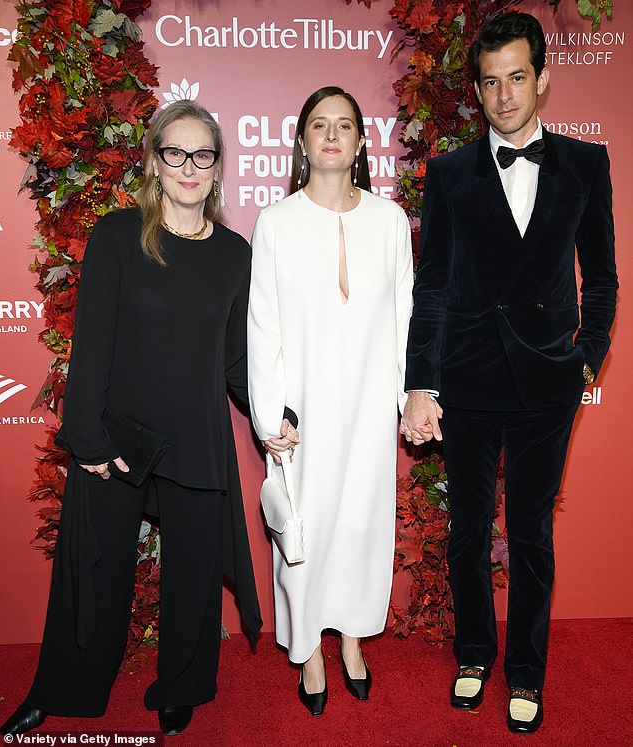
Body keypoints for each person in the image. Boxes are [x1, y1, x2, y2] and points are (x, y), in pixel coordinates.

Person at [0, 100, 262, 738]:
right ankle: (64, 687)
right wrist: (85, 433)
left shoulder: (235, 253)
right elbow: (92, 342)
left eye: (203, 154)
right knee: (93, 568)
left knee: (193, 576)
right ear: (155, 161)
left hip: (196, 439)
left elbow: (236, 364)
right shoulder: (118, 234)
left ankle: (182, 686)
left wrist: (276, 413)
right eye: (175, 152)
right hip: (116, 437)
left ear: (218, 166)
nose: (189, 167)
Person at [401, 11, 617, 735]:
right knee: (466, 532)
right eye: (490, 82)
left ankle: (526, 669)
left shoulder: (587, 165)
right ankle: (473, 653)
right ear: (479, 89)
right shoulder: (451, 171)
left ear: (543, 80)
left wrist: (584, 357)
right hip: (465, 377)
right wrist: (421, 380)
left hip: (547, 383)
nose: (503, 95)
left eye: (517, 77)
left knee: (529, 533)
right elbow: (431, 284)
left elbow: (606, 280)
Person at [247, 86, 413, 715]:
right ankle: (309, 651)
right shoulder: (277, 222)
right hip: (300, 416)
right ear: (303, 141)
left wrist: (408, 400)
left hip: (370, 410)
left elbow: (406, 322)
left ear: (362, 142)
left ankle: (350, 642)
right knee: (304, 530)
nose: (333, 135)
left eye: (345, 125)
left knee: (361, 527)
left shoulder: (390, 221)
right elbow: (262, 327)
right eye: (320, 125)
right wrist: (270, 416)